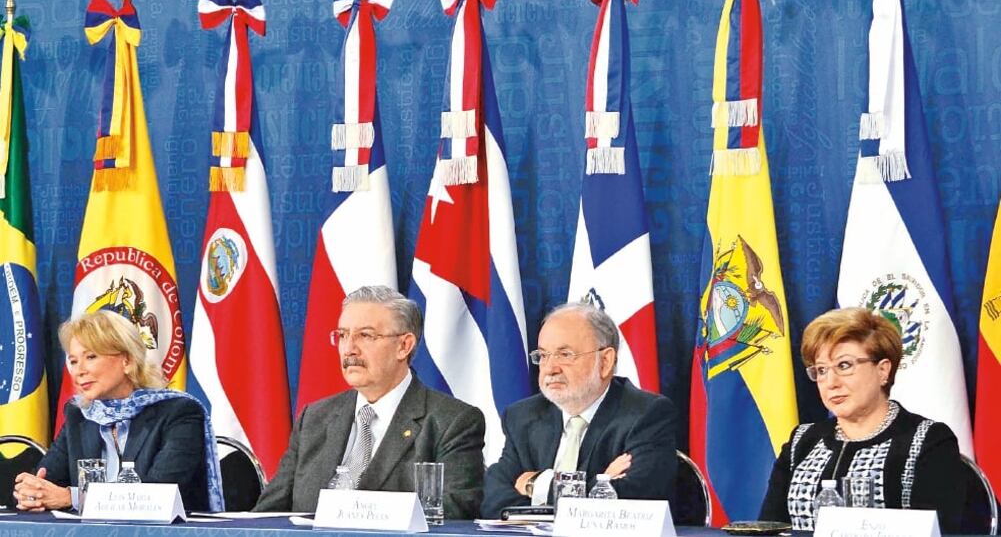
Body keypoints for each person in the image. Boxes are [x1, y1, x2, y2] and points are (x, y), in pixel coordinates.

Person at [254, 285, 486, 518]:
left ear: (404, 346)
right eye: (343, 335)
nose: (349, 349)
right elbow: (267, 514)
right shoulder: (314, 418)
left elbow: (454, 513)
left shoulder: (452, 422)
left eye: (365, 335)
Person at [759, 307, 965, 532]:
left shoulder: (926, 439)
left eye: (844, 366)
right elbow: (769, 526)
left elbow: (937, 531)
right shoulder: (802, 440)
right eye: (821, 370)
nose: (831, 382)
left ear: (883, 370)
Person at [13, 309, 224, 512]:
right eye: (73, 361)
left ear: (127, 361)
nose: (79, 371)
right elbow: (46, 480)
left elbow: (158, 495)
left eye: (91, 357)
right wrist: (32, 492)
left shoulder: (180, 413)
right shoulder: (80, 415)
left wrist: (73, 497)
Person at [481, 302, 677, 518]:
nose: (550, 369)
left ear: (605, 361)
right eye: (544, 356)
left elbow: (635, 500)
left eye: (565, 355)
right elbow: (493, 499)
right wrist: (597, 485)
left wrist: (536, 484)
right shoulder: (523, 416)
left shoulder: (645, 414)